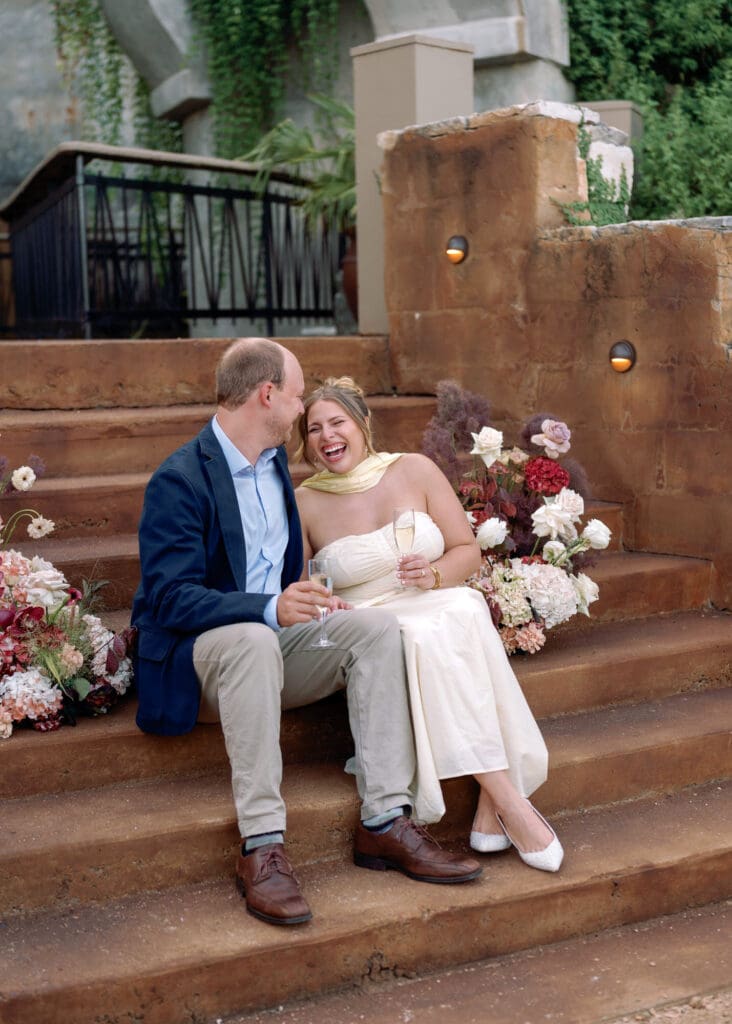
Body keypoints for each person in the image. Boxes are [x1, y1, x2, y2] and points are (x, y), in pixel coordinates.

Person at [131, 339, 481, 928]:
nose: (300, 414)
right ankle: (262, 846)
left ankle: (384, 822)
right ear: (267, 394)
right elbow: (169, 598)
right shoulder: (181, 479)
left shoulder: (276, 469)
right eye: (296, 398)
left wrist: (317, 600)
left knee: (373, 629)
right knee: (251, 638)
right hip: (205, 658)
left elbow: (289, 572)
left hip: (274, 649)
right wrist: (270, 607)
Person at [295, 376, 563, 873]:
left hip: (430, 596)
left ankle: (493, 803)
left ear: (362, 423)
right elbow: (301, 588)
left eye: (337, 422)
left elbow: (467, 550)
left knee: (462, 606)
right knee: (428, 629)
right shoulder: (304, 502)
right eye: (313, 429)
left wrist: (435, 573)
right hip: (368, 621)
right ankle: (508, 800)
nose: (326, 436)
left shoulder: (414, 469)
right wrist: (324, 605)